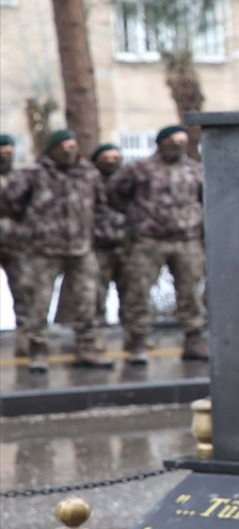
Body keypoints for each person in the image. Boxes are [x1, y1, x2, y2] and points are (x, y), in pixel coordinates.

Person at [0, 129, 113, 371]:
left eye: (72, 145)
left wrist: (96, 234)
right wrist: (25, 234)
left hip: (81, 249)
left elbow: (102, 207)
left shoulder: (88, 174)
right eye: (63, 146)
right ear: (52, 149)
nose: (69, 150)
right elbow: (8, 206)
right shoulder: (33, 175)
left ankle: (86, 346)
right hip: (43, 251)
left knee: (87, 299)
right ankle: (38, 350)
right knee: (38, 302)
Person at [108, 125, 209, 364]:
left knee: (190, 292)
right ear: (161, 142)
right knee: (138, 291)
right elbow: (115, 192)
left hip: (186, 240)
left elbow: (204, 198)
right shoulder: (140, 169)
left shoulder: (194, 170)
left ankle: (194, 339)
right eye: (173, 141)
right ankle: (138, 340)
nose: (178, 145)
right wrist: (135, 216)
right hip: (148, 240)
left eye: (182, 141)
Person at [55, 143, 128, 345]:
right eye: (106, 158)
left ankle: (134, 337)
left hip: (126, 245)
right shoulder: (87, 182)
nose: (111, 162)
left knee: (132, 296)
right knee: (95, 296)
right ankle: (97, 338)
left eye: (115, 158)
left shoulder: (127, 181)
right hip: (97, 247)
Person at [0, 133, 31, 357]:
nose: (6, 155)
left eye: (9, 151)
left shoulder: (22, 178)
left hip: (16, 244)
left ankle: (27, 341)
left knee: (25, 293)